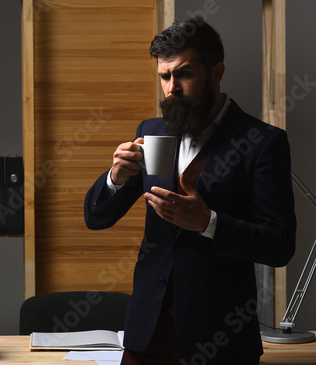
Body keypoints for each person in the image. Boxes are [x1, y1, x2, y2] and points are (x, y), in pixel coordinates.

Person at [84, 17, 296, 365]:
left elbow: (279, 245)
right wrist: (115, 178)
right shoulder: (151, 131)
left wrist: (209, 222)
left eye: (183, 74)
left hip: (221, 336)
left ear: (216, 72)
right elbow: (96, 217)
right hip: (147, 333)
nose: (171, 88)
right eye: (164, 77)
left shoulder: (263, 142)